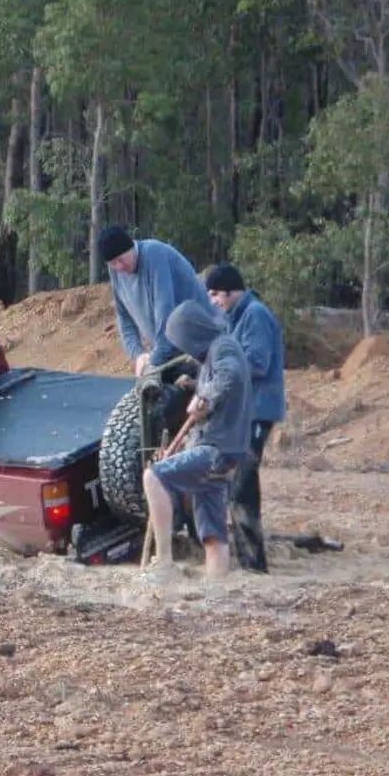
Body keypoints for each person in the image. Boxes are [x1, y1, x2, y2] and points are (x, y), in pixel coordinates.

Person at [143, 301, 252, 579]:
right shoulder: (212, 356)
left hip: (217, 450)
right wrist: (196, 389)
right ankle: (217, 591)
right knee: (213, 537)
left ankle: (164, 562)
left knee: (153, 477)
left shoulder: (223, 347)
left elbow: (232, 375)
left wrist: (204, 397)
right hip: (224, 452)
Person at [203, 263, 286, 573]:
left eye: (214, 294)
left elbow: (258, 363)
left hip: (258, 410)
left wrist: (219, 377)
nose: (213, 301)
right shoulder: (234, 317)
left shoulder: (255, 315)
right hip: (244, 411)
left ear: (228, 290)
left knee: (242, 485)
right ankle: (244, 557)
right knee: (235, 484)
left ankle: (254, 563)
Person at [97, 225, 218, 377]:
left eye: (121, 260)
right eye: (113, 263)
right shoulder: (116, 271)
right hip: (171, 352)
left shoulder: (154, 255)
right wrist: (138, 355)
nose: (119, 267)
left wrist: (153, 363)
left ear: (131, 247)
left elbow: (165, 316)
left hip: (202, 349)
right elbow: (124, 317)